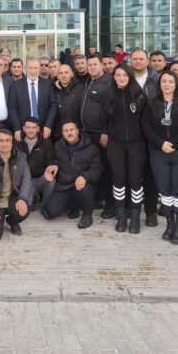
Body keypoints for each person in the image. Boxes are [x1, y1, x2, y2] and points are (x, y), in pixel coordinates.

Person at [141, 71, 178, 245]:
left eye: (171, 81)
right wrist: (160, 143)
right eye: (164, 81)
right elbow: (146, 126)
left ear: (176, 84)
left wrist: (173, 144)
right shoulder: (151, 103)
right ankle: (170, 224)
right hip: (158, 153)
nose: (167, 84)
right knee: (165, 190)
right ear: (160, 84)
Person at [105, 64, 148, 234]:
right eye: (118, 75)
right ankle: (121, 216)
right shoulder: (109, 95)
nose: (121, 78)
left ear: (130, 77)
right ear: (114, 77)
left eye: (125, 75)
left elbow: (146, 120)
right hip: (116, 144)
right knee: (118, 180)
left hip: (136, 144)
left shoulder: (139, 95)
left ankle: (135, 217)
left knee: (135, 180)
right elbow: (104, 118)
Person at [42, 121, 103, 229]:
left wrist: (84, 176)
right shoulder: (58, 146)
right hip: (65, 187)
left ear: (77, 131)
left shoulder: (91, 148)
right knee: (50, 212)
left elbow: (97, 170)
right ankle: (74, 205)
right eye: (66, 131)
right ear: (62, 133)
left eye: (72, 130)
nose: (69, 133)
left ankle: (87, 215)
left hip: (82, 187)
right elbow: (56, 159)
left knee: (84, 187)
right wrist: (55, 165)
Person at [79, 54, 114, 217]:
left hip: (101, 134)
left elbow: (111, 110)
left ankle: (111, 205)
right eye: (90, 64)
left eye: (95, 64)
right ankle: (98, 198)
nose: (92, 67)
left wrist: (106, 131)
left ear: (101, 66)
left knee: (107, 169)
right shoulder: (88, 82)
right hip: (87, 133)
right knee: (94, 168)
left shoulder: (108, 83)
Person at [129, 48, 160, 225]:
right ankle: (132, 209)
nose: (138, 61)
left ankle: (150, 212)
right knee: (132, 174)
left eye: (141, 58)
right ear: (130, 61)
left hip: (152, 135)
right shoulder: (124, 78)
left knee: (150, 175)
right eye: (135, 59)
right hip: (130, 135)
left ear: (148, 61)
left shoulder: (157, 80)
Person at [8, 57, 57, 142]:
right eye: (30, 68)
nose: (33, 71)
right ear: (25, 69)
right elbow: (12, 108)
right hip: (23, 129)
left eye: (36, 68)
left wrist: (48, 125)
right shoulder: (16, 85)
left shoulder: (48, 84)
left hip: (44, 129)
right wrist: (17, 127)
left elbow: (53, 106)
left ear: (39, 69)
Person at [14, 116, 55, 205]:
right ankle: (34, 197)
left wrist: (49, 173)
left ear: (38, 129)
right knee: (27, 204)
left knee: (51, 180)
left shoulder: (46, 142)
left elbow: (50, 162)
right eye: (28, 127)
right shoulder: (17, 143)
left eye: (34, 127)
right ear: (24, 129)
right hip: (24, 180)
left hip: (40, 178)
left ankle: (45, 205)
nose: (31, 130)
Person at [52, 64, 82, 142]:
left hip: (76, 133)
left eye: (66, 72)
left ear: (72, 74)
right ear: (57, 76)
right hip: (57, 133)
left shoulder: (80, 89)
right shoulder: (52, 89)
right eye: (60, 73)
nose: (63, 75)